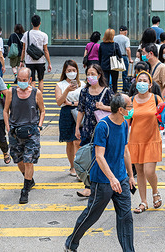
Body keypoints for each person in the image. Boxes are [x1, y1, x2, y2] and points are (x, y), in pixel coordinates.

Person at [65, 93, 136, 252]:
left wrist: (130, 176)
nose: (132, 109)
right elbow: (99, 156)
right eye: (130, 106)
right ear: (120, 109)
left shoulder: (124, 124)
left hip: (121, 179)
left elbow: (125, 151)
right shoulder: (103, 126)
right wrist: (111, 178)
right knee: (92, 215)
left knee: (126, 217)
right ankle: (71, 243)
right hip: (103, 181)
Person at [4, 67, 45, 204]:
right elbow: (5, 111)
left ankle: (25, 190)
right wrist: (8, 126)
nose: (21, 83)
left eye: (24, 80)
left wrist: (39, 126)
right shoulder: (11, 92)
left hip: (31, 132)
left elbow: (43, 110)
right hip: (15, 132)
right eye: (19, 80)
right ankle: (29, 180)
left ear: (30, 80)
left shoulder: (36, 93)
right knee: (19, 161)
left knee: (28, 161)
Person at [128, 71, 163, 214]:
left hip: (152, 140)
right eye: (139, 80)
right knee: (140, 173)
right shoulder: (131, 101)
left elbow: (164, 116)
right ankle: (143, 201)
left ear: (150, 85)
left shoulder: (156, 99)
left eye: (145, 81)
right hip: (135, 141)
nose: (142, 83)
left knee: (149, 171)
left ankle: (155, 192)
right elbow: (127, 122)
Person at [75, 64, 113, 197]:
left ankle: (105, 184)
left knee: (103, 157)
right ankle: (88, 186)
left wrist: (104, 107)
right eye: (88, 74)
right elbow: (81, 110)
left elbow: (117, 109)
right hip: (88, 129)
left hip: (104, 131)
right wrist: (77, 127)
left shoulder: (107, 91)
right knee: (89, 158)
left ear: (99, 75)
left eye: (93, 74)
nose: (90, 76)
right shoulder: (84, 91)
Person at [55, 60, 85, 177]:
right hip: (66, 114)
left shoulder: (82, 84)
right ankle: (72, 166)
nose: (72, 73)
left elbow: (84, 101)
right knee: (69, 142)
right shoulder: (60, 85)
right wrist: (67, 90)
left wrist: (71, 103)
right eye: (69, 71)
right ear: (65, 71)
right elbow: (59, 102)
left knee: (78, 141)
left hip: (79, 113)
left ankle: (79, 167)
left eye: (74, 70)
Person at [20, 15, 52, 93]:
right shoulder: (44, 35)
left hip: (29, 61)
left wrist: (21, 61)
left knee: (32, 80)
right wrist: (49, 63)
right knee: (41, 80)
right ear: (40, 23)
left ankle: (33, 97)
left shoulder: (26, 34)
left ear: (31, 23)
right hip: (41, 61)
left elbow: (23, 49)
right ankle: (40, 96)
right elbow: (46, 50)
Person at [98, 28, 121, 93]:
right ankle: (114, 94)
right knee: (115, 82)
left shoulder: (102, 45)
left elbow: (99, 56)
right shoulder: (115, 45)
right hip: (114, 66)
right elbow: (120, 55)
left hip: (104, 66)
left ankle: (106, 94)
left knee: (105, 82)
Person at [114, 26, 133, 92]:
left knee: (114, 73)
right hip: (123, 56)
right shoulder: (126, 39)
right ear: (125, 31)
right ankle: (124, 88)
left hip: (115, 56)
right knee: (124, 73)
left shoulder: (114, 38)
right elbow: (127, 48)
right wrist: (130, 58)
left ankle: (114, 88)